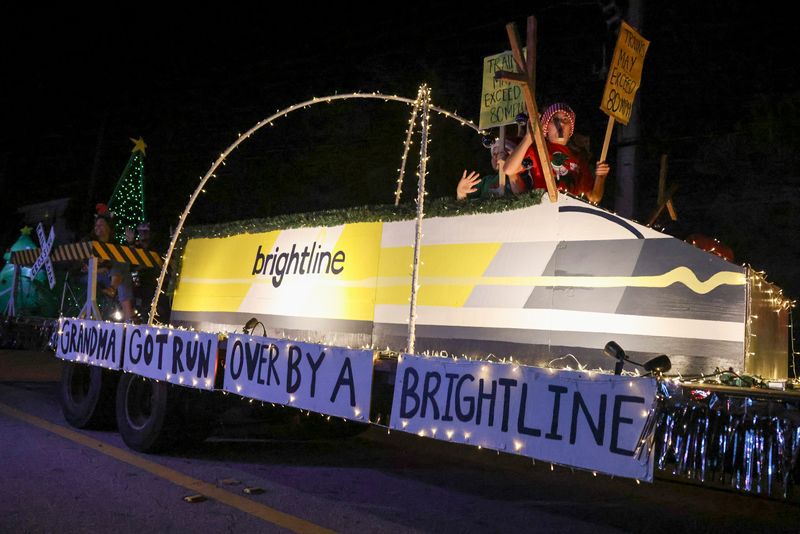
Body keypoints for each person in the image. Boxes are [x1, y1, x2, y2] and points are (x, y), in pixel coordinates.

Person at [504, 103, 610, 204]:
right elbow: (509, 169)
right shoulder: (537, 150)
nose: (561, 123)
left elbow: (594, 197)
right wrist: (529, 137)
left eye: (565, 119)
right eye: (555, 119)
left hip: (569, 213)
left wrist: (600, 177)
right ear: (546, 128)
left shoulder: (579, 159)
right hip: (544, 209)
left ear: (570, 129)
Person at [86, 204, 134, 321]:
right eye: (96, 225)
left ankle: (113, 290)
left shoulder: (114, 244)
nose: (97, 227)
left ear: (108, 228)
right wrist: (102, 269)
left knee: (123, 266)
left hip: (111, 276)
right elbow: (84, 266)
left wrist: (131, 243)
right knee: (123, 274)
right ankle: (129, 317)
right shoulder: (90, 242)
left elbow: (129, 258)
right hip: (93, 275)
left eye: (101, 225)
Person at [456, 137, 526, 200]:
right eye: (494, 154)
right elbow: (465, 206)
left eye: (503, 153)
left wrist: (510, 166)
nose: (497, 157)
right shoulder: (486, 181)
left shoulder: (524, 176)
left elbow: (523, 197)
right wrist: (461, 193)